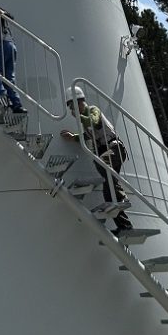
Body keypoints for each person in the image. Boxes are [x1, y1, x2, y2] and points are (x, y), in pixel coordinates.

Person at [60, 85, 133, 234]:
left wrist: (79, 117)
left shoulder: (93, 110)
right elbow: (87, 135)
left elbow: (93, 121)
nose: (72, 111)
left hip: (115, 149)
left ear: (79, 102)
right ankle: (125, 227)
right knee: (108, 192)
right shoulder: (84, 122)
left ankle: (123, 197)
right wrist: (73, 137)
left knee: (101, 162)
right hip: (107, 152)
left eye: (72, 106)